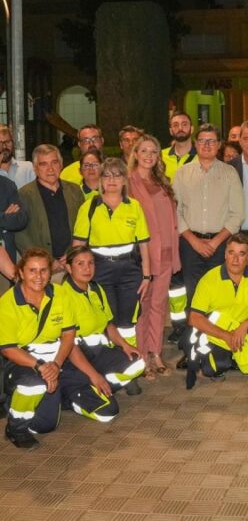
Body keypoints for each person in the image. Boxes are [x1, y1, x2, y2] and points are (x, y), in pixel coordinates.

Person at [72, 157, 152, 395]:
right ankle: (111, 369)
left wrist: (147, 276)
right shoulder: (89, 206)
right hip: (100, 270)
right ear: (100, 180)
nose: (112, 181)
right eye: (107, 176)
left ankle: (131, 369)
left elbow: (144, 244)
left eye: (117, 175)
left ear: (125, 179)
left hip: (129, 269)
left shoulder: (134, 206)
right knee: (108, 321)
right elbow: (78, 243)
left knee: (128, 321)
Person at [173, 124, 245, 351]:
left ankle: (218, 345)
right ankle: (193, 348)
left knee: (220, 296)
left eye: (211, 141)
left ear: (219, 144)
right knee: (194, 297)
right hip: (189, 243)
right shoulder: (182, 173)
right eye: (202, 140)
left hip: (221, 244)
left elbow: (237, 213)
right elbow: (175, 212)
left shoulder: (229, 173)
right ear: (195, 144)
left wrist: (215, 242)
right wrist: (194, 241)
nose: (206, 145)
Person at [0, 249, 80, 448]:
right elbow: (8, 349)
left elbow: (69, 335)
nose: (39, 276)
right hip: (19, 362)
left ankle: (44, 396)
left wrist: (56, 365)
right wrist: (42, 367)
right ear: (20, 273)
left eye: (44, 270)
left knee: (45, 426)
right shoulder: (8, 303)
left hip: (52, 360)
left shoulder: (60, 294)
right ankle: (15, 428)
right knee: (32, 383)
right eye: (32, 271)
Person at [184, 234, 248, 388]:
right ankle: (229, 360)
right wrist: (226, 336)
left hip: (244, 332)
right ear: (225, 254)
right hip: (219, 334)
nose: (235, 259)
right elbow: (194, 319)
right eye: (231, 253)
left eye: (241, 254)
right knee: (213, 369)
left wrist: (245, 325)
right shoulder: (209, 279)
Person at [61, 246, 146, 419]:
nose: (87, 268)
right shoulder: (62, 297)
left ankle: (98, 387)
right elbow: (68, 346)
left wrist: (125, 345)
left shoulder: (96, 289)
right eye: (80, 264)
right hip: (76, 358)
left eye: (91, 263)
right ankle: (71, 398)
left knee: (138, 362)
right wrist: (94, 376)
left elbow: (109, 325)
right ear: (69, 268)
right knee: (108, 413)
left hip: (98, 353)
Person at [128, 135, 181, 379]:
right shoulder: (129, 183)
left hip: (167, 252)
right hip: (144, 256)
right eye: (144, 151)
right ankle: (141, 357)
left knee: (159, 306)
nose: (149, 155)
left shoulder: (162, 182)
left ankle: (156, 352)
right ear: (135, 154)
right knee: (142, 307)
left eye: (154, 151)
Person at [17, 144, 84, 276]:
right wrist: (47, 260)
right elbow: (21, 235)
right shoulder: (24, 195)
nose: (50, 169)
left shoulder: (75, 190)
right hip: (41, 270)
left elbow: (84, 226)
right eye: (43, 164)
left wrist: (73, 253)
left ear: (61, 164)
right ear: (35, 169)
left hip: (74, 264)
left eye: (54, 162)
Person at [162, 111, 197, 181]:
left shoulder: (203, 157)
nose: (180, 128)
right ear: (170, 131)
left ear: (192, 129)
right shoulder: (160, 156)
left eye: (184, 124)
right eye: (175, 125)